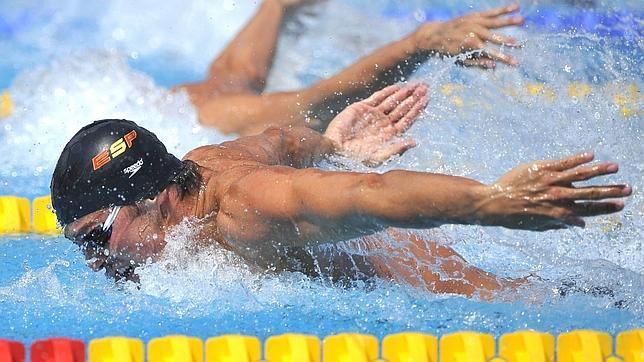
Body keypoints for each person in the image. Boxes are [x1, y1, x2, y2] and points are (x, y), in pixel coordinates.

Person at [53, 84, 631, 299]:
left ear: (149, 198)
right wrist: (330, 142)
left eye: (96, 238)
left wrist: (492, 202)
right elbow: (280, 140)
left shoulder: (248, 210)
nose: (94, 260)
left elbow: (367, 195)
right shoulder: (201, 167)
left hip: (478, 300)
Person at [175, 0, 526, 135]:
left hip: (172, 112)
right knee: (231, 85)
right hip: (167, 109)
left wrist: (417, 45)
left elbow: (311, 105)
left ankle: (421, 41)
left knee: (291, 107)